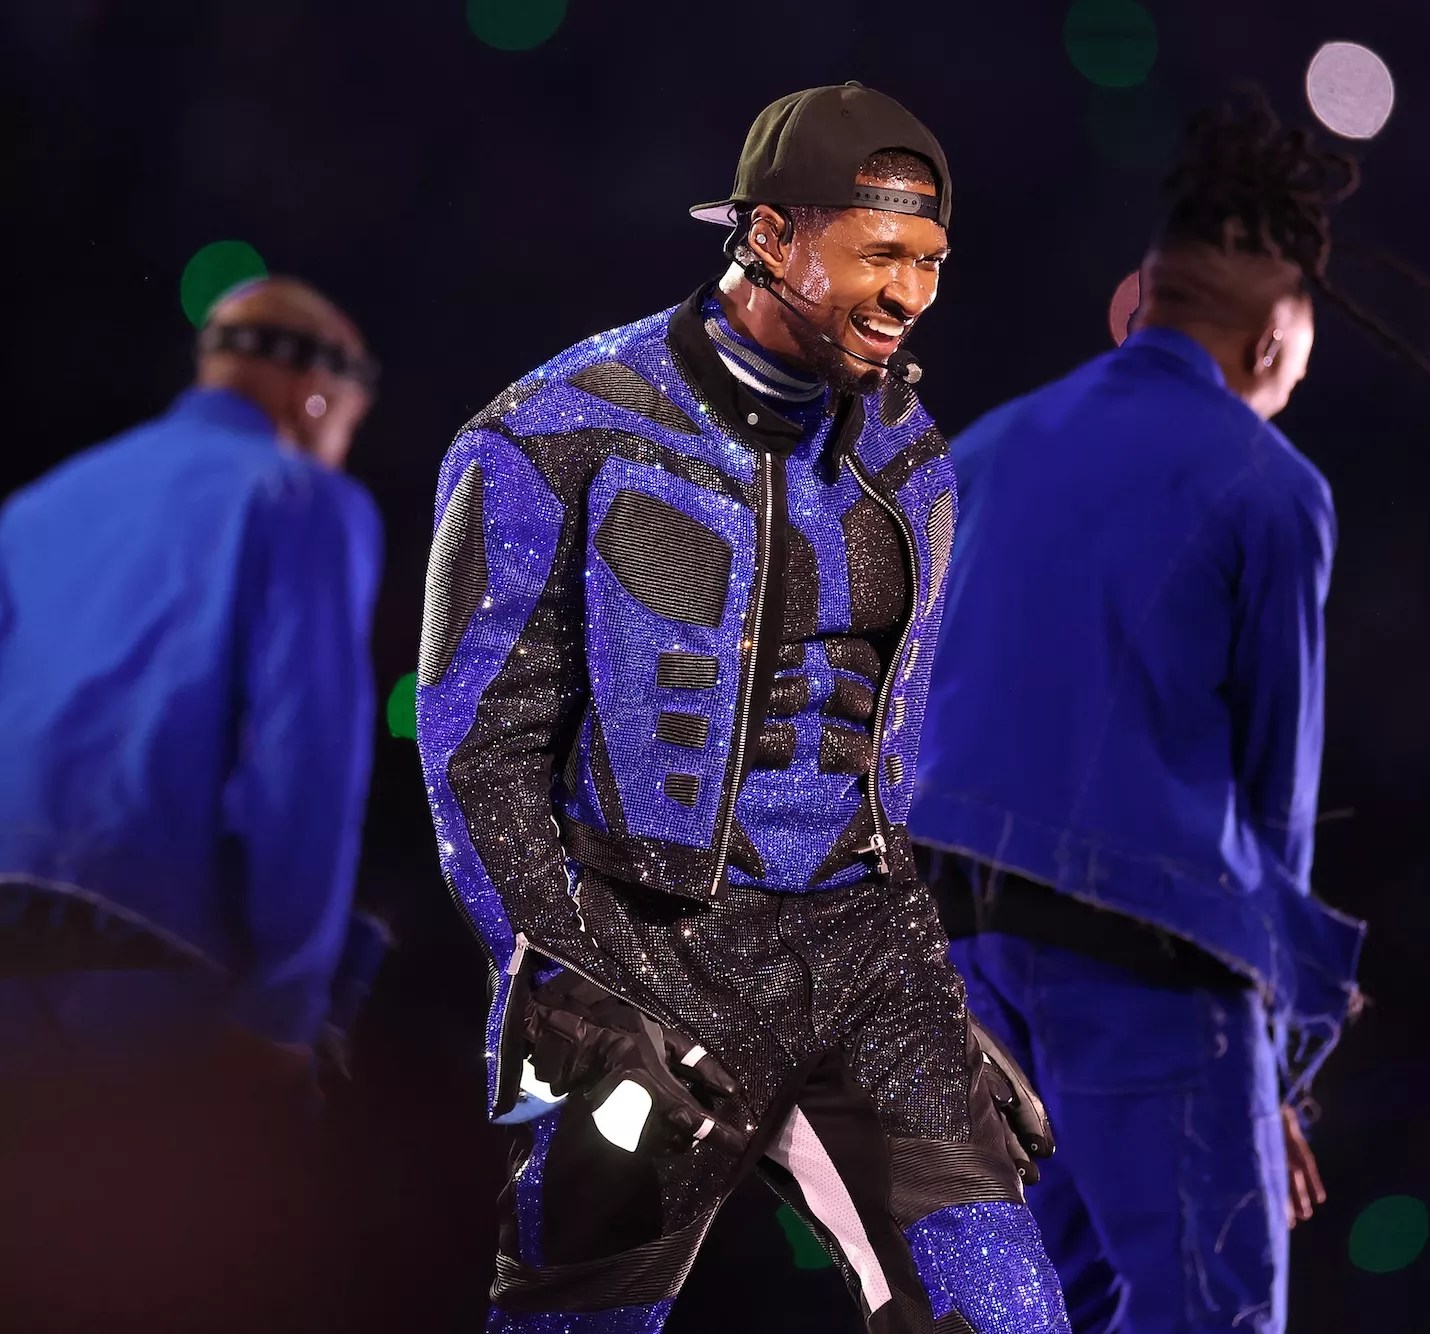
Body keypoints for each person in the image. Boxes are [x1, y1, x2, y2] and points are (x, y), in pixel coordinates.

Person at [415, 83, 1068, 1334]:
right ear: (768, 235)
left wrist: (930, 987)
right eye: (880, 254)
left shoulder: (907, 451)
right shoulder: (552, 436)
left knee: (1008, 1316)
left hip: (870, 962)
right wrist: (564, 981)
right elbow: (476, 755)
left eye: (930, 259)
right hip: (643, 953)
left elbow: (883, 755)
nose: (911, 293)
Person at [911, 90, 1430, 1333]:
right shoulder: (1271, 488)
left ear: (1147, 295)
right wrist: (1271, 1066)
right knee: (1211, 1315)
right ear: (1277, 340)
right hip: (1146, 951)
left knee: (1032, 1309)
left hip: (956, 949)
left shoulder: (985, 449)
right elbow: (1272, 797)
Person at [0, 275, 383, 1329]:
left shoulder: (42, 503)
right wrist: (285, 1012)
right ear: (320, 393)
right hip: (152, 962)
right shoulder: (300, 498)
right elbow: (302, 764)